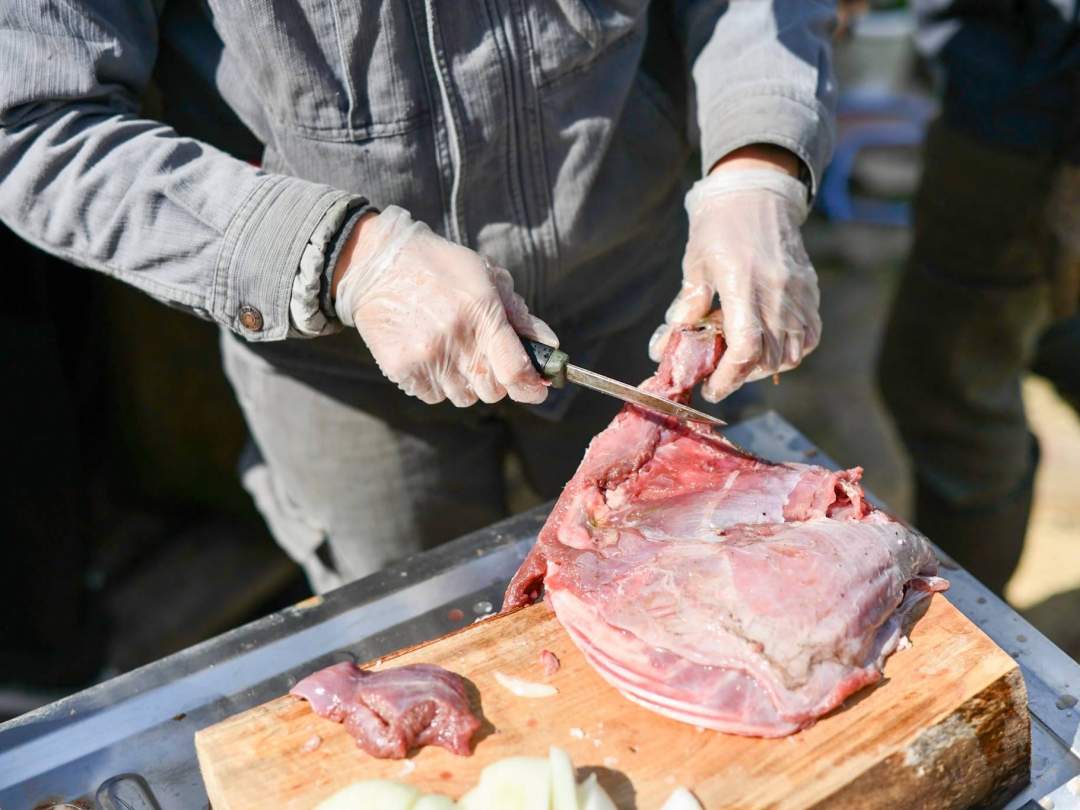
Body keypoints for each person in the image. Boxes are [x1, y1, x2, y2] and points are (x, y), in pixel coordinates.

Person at [0, 2, 836, 592]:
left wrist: (757, 163)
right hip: (338, 363)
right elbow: (32, 124)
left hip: (646, 297)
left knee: (711, 594)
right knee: (425, 660)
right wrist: (348, 257)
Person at [878, 0, 1080, 596]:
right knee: (1044, 328)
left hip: (1031, 118)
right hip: (1012, 89)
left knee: (951, 393)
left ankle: (973, 623)